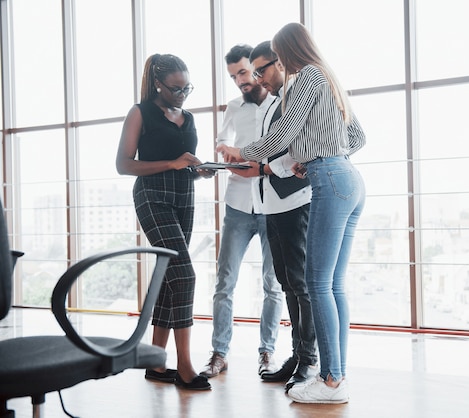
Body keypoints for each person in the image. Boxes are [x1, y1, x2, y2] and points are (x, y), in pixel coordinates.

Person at [217, 23, 366, 404]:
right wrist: (314, 158)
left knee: (316, 285)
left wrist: (242, 152)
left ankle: (330, 381)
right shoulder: (329, 79)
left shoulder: (306, 77)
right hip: (347, 176)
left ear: (288, 52)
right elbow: (357, 139)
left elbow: (282, 136)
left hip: (329, 180)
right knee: (332, 286)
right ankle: (336, 377)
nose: (276, 66)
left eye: (278, 58)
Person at [116, 53, 212, 390]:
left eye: (187, 88)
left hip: (184, 197)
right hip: (152, 196)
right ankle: (184, 365)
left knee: (171, 278)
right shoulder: (140, 113)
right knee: (184, 275)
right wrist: (171, 163)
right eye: (175, 88)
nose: (182, 94)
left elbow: (183, 164)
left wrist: (199, 171)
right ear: (158, 84)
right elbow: (124, 165)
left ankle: (156, 362)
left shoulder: (188, 117)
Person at [231, 40, 318, 391]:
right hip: (270, 205)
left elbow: (296, 148)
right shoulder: (273, 102)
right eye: (254, 72)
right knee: (286, 282)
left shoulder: (297, 95)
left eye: (261, 69)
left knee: (300, 284)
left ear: (280, 63)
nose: (258, 78)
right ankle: (298, 355)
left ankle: (308, 360)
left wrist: (259, 165)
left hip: (296, 201)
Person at [200, 44, 283, 378]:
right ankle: (219, 354)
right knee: (224, 283)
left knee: (273, 285)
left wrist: (253, 159)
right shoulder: (233, 107)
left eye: (244, 73)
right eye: (233, 76)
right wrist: (223, 155)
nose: (239, 81)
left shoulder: (282, 105)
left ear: (259, 69)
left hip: (273, 204)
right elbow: (223, 143)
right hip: (237, 204)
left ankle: (267, 353)